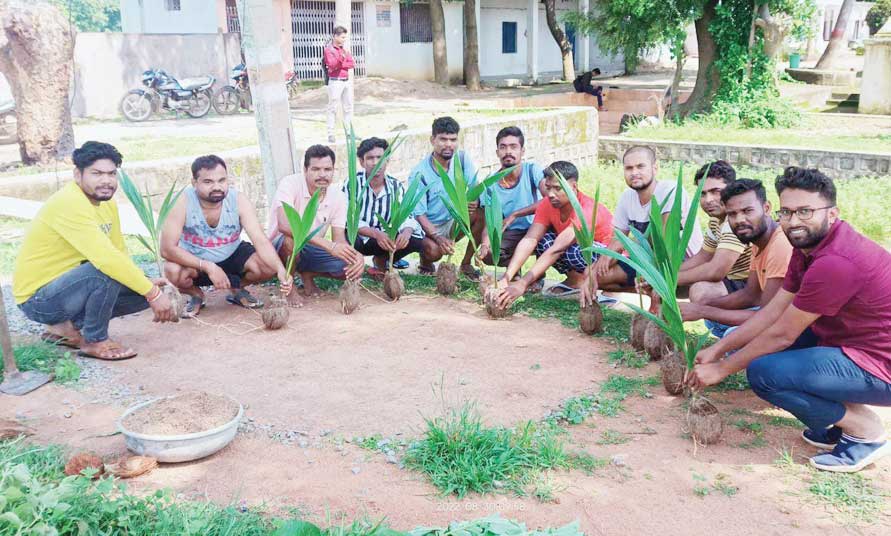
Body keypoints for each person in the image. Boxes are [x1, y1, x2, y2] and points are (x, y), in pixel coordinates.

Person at [688, 168, 891, 473]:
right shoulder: (805, 246)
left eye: (806, 211)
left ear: (832, 213)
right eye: (788, 212)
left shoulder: (835, 261)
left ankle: (865, 430)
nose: (794, 221)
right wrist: (719, 349)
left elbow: (782, 333)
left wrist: (723, 369)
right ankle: (835, 424)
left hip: (880, 366)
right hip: (847, 345)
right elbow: (772, 312)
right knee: (760, 352)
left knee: (764, 371)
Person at [13, 141, 176, 360]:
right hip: (38, 300)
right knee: (106, 271)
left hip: (67, 288)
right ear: (78, 175)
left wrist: (146, 284)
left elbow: (118, 251)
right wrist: (152, 294)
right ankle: (94, 340)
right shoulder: (69, 203)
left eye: (111, 174)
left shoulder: (107, 203)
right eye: (96, 173)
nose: (106, 181)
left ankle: (64, 330)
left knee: (139, 293)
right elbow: (106, 259)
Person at [679, 179, 815, 350]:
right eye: (732, 214)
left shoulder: (780, 244)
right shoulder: (757, 242)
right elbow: (750, 295)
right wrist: (701, 306)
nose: (740, 219)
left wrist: (702, 311)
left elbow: (768, 317)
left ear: (766, 208)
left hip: (803, 328)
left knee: (732, 336)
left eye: (747, 211)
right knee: (719, 323)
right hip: (776, 316)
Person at [160, 155, 293, 316]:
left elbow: (260, 239)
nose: (217, 187)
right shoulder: (182, 202)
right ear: (194, 182)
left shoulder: (238, 199)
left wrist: (280, 270)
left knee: (267, 265)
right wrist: (208, 266)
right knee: (172, 270)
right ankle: (196, 295)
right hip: (195, 259)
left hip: (232, 253)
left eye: (222, 180)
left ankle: (236, 289)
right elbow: (167, 249)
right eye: (208, 182)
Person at [495, 161, 614, 307]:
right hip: (577, 255)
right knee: (543, 241)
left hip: (611, 262)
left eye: (558, 188)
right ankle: (575, 281)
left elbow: (558, 249)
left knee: (574, 250)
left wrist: (522, 283)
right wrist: (507, 277)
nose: (550, 194)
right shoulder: (547, 204)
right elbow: (529, 240)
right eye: (548, 187)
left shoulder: (585, 210)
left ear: (574, 187)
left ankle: (609, 289)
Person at [591, 145, 704, 292]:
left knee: (653, 270)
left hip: (681, 263)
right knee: (597, 277)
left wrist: (627, 244)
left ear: (655, 168)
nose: (634, 173)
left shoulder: (670, 190)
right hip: (648, 260)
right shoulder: (627, 197)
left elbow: (663, 243)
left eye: (640, 166)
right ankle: (645, 292)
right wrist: (599, 266)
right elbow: (617, 238)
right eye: (629, 168)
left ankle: (656, 300)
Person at [268, 144, 364, 302]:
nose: (322, 175)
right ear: (305, 170)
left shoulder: (338, 196)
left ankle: (307, 273)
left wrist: (354, 255)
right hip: (280, 247)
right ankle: (289, 287)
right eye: (316, 169)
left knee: (350, 267)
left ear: (333, 171)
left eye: (327, 170)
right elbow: (284, 226)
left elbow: (338, 238)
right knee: (292, 241)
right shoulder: (290, 184)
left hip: (313, 246)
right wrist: (329, 246)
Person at [410, 116, 481, 280]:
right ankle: (425, 261)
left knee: (481, 213)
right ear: (432, 140)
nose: (449, 144)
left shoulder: (462, 159)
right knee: (434, 252)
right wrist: (437, 237)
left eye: (453, 139)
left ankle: (466, 263)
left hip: (453, 220)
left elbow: (474, 186)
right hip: (429, 226)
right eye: (443, 139)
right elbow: (419, 214)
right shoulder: (419, 173)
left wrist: (475, 200)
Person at [344, 137, 424, 276]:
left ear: (387, 160)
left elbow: (407, 216)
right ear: (362, 162)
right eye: (370, 158)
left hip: (385, 239)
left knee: (415, 240)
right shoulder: (352, 184)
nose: (376, 163)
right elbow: (347, 218)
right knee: (350, 237)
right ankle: (355, 265)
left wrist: (406, 231)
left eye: (380, 157)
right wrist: (375, 233)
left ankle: (382, 260)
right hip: (362, 238)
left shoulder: (395, 186)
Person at [677, 161, 751, 303]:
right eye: (702, 194)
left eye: (715, 192)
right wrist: (662, 275)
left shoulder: (736, 221)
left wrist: (669, 279)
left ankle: (726, 326)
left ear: (732, 189)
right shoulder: (716, 221)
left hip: (752, 285)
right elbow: (702, 257)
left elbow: (716, 271)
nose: (708, 200)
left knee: (701, 291)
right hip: (732, 280)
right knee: (676, 285)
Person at [477, 126, 545, 271]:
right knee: (490, 254)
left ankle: (538, 276)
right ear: (497, 152)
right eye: (503, 147)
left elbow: (550, 199)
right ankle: (514, 271)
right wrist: (484, 244)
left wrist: (515, 214)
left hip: (536, 228)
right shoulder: (490, 183)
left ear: (522, 151)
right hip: (511, 233)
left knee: (549, 236)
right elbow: (489, 222)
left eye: (513, 147)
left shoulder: (532, 170)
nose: (508, 152)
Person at [324, 25, 355, 143]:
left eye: (345, 37)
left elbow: (352, 63)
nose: (344, 39)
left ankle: (348, 132)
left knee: (348, 107)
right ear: (335, 36)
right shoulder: (329, 50)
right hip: (335, 81)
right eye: (342, 37)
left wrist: (342, 62)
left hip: (345, 80)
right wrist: (342, 60)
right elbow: (331, 65)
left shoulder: (344, 50)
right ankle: (331, 134)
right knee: (333, 108)